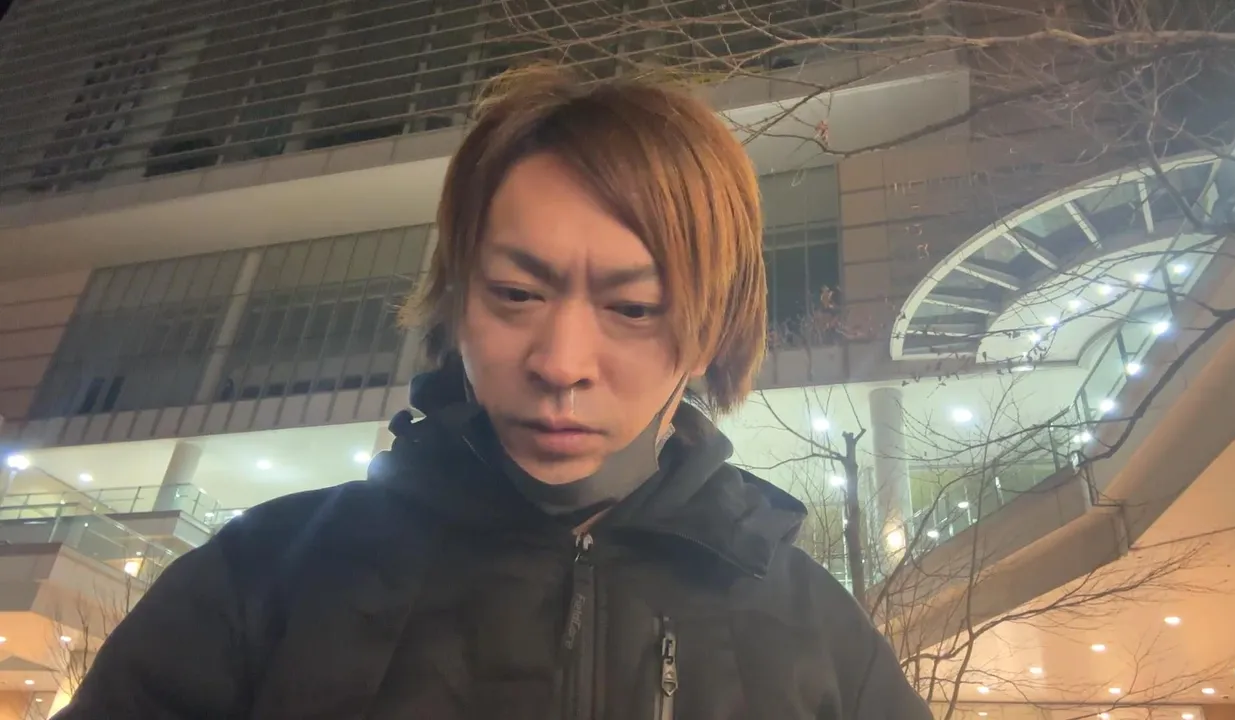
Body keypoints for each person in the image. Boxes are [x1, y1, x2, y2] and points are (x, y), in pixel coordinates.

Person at [56, 66, 932, 720]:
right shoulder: (259, 582)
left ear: (710, 331)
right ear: (455, 300)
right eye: (515, 293)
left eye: (633, 308)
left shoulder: (826, 641)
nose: (561, 362)